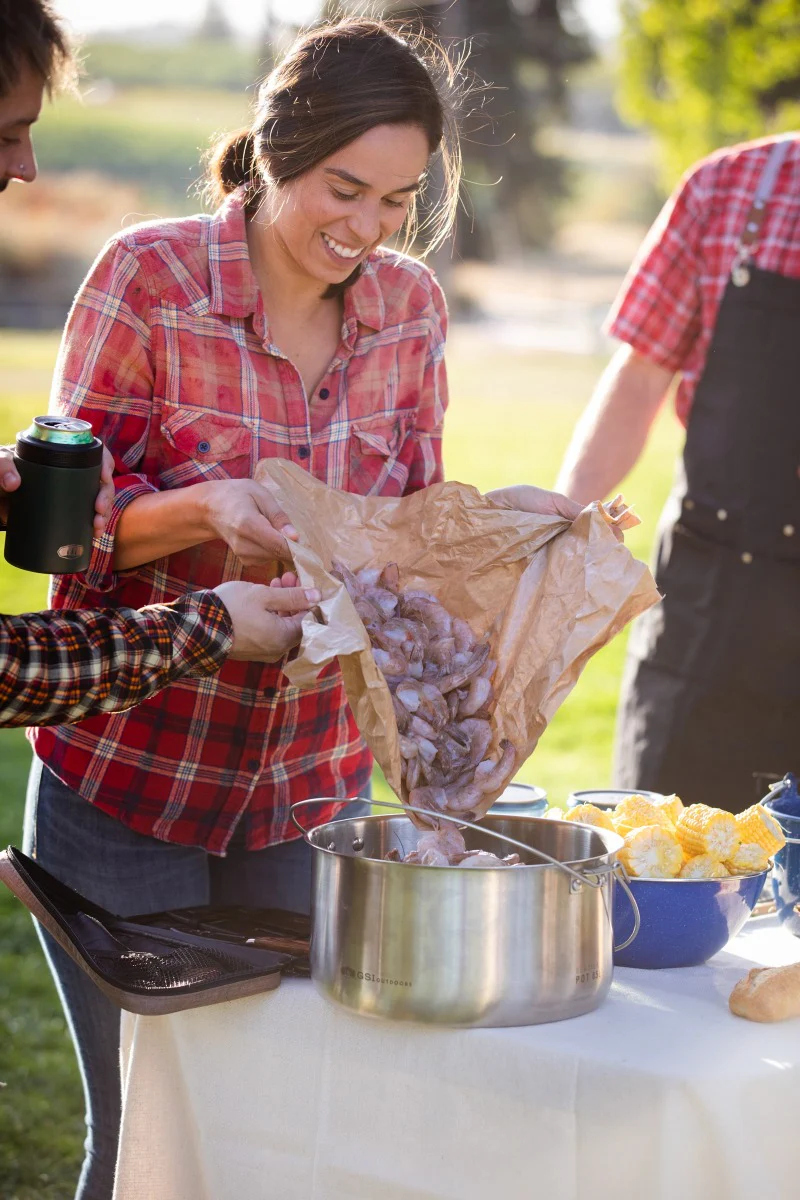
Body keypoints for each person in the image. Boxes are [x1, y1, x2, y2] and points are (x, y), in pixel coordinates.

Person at [22, 14, 582, 1196]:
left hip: (307, 790)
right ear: (277, 152)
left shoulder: (410, 312)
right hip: (132, 785)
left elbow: (404, 531)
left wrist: (504, 520)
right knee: (147, 1137)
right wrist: (206, 510)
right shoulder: (151, 278)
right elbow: (64, 543)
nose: (366, 228)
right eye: (343, 189)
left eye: (396, 200)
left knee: (282, 1137)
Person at [0, 1, 319, 729]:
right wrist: (208, 626)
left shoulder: (413, 304)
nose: (26, 166)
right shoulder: (148, 274)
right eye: (8, 132)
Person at [556, 133, 800, 814]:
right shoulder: (731, 189)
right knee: (663, 887)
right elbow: (639, 381)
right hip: (712, 618)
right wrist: (559, 525)